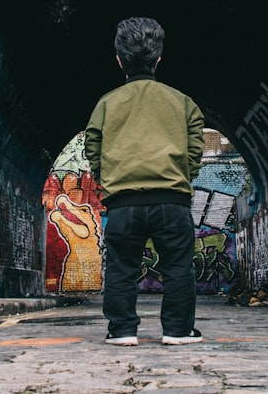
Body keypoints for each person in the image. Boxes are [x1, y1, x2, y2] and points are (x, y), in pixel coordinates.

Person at [84, 17, 205, 346]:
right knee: (178, 267)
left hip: (123, 203)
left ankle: (122, 330)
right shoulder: (182, 103)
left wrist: (107, 179)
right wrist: (183, 175)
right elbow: (196, 147)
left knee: (121, 268)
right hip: (172, 201)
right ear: (158, 60)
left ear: (119, 60)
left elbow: (92, 146)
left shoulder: (106, 104)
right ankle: (178, 331)